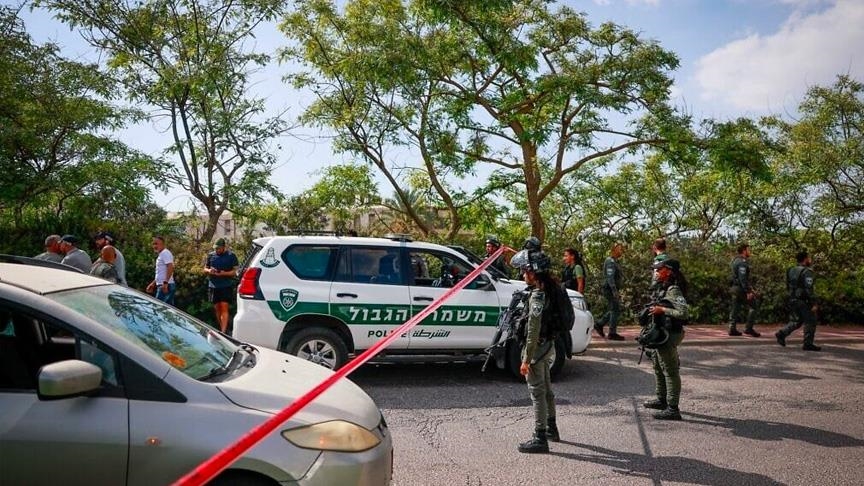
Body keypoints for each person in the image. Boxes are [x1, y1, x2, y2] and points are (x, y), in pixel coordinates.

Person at [510, 247, 559, 454]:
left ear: (533, 272)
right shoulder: (551, 289)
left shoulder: (538, 296)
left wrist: (526, 359)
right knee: (547, 390)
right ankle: (551, 428)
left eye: (524, 270)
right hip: (547, 346)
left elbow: (533, 329)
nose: (522, 274)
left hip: (537, 350)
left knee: (537, 393)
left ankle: (540, 437)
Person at [642, 259, 689, 421]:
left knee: (670, 371)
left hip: (670, 335)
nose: (656, 272)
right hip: (661, 334)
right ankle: (661, 399)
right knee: (657, 365)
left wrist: (662, 310)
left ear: (668, 271)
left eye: (659, 269)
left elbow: (683, 313)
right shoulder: (663, 287)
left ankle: (673, 408)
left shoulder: (673, 289)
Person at [775, 250, 821, 351]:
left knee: (796, 321)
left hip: (792, 298)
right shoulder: (807, 272)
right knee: (811, 320)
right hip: (804, 300)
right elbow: (809, 289)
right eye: (809, 258)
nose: (810, 260)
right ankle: (808, 344)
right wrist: (814, 303)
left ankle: (782, 333)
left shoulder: (791, 270)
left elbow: (787, 285)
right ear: (805, 259)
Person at [204, 238, 240, 333]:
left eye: (219, 248)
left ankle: (223, 331)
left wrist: (224, 273)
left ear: (224, 247)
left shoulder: (231, 256)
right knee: (217, 308)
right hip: (213, 285)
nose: (217, 250)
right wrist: (209, 270)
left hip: (225, 285)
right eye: (215, 248)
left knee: (224, 307)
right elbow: (205, 268)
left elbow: (235, 271)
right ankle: (222, 329)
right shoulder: (211, 255)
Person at [727, 243, 760, 337]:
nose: (750, 251)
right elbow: (743, 278)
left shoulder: (734, 260)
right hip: (740, 289)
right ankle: (748, 328)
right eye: (748, 250)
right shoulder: (742, 262)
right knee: (754, 306)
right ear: (744, 251)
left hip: (734, 288)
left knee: (735, 308)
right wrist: (748, 291)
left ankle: (732, 328)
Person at [596, 242, 625, 340]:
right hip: (609, 289)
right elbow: (610, 278)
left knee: (614, 309)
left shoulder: (615, 261)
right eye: (620, 249)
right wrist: (614, 291)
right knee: (615, 309)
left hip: (612, 289)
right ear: (614, 250)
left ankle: (600, 324)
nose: (621, 251)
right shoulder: (610, 261)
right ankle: (612, 333)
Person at [146, 236, 176, 305]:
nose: (155, 246)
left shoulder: (165, 253)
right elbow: (161, 272)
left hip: (165, 286)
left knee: (157, 308)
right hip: (164, 285)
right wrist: (153, 283)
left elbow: (170, 267)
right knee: (164, 309)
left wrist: (165, 283)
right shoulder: (162, 254)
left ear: (163, 244)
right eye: (153, 244)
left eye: (156, 244)